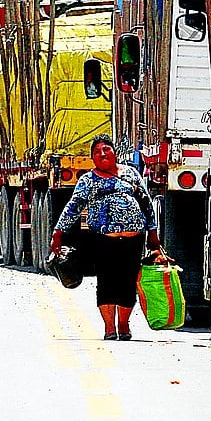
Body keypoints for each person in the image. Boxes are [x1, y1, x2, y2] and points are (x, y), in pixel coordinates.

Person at [51, 134, 161, 341]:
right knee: (107, 283)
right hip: (102, 240)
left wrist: (153, 233)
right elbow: (73, 208)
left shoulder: (131, 174)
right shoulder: (87, 181)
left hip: (133, 239)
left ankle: (123, 324)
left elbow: (146, 204)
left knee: (128, 283)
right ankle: (110, 328)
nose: (102, 154)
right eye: (97, 152)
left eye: (106, 149)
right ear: (93, 158)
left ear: (114, 152)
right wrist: (58, 233)